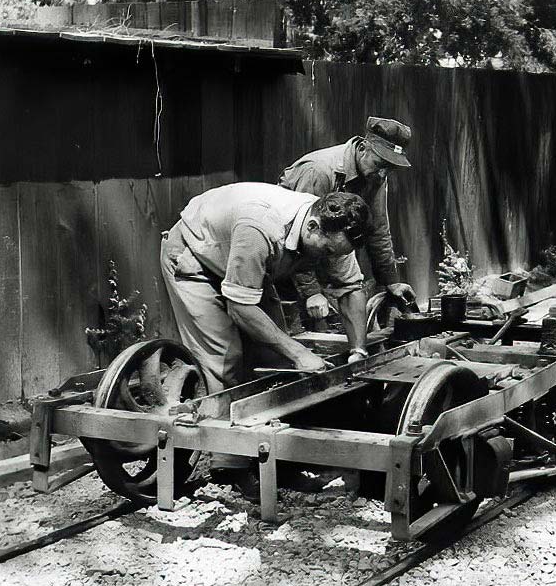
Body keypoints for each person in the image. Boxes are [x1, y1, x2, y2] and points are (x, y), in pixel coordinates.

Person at [160, 183, 371, 498]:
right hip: (196, 260)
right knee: (225, 360)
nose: (330, 260)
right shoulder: (260, 226)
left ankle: (277, 459)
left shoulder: (338, 232)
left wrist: (358, 351)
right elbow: (240, 307)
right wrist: (299, 352)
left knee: (274, 362)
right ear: (312, 226)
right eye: (326, 252)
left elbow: (351, 288)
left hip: (244, 265)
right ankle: (229, 469)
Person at [279, 117, 418, 334]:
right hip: (286, 258)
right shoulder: (319, 171)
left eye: (390, 169)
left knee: (357, 324)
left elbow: (378, 230)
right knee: (307, 334)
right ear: (363, 148)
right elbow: (296, 236)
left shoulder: (376, 175)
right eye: (381, 165)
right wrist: (312, 291)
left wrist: (391, 280)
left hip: (331, 252)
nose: (383, 174)